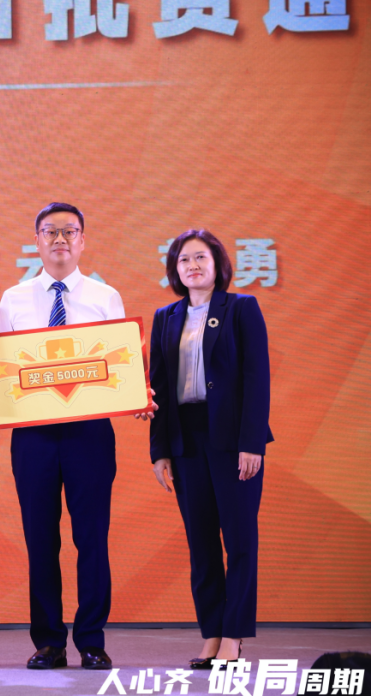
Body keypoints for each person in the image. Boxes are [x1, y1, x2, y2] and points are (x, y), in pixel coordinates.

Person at [0, 202, 124, 671]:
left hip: (90, 433)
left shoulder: (105, 297)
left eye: (69, 231)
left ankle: (91, 640)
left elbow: (121, 366)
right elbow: (1, 369)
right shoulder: (13, 298)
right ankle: (48, 641)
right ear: (36, 241)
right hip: (34, 436)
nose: (60, 240)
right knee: (40, 540)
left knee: (92, 538)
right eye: (50, 232)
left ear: (83, 241)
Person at [148, 229, 271, 668]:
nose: (192, 266)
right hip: (186, 440)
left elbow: (257, 378)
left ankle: (234, 636)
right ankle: (212, 634)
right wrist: (159, 450)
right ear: (175, 270)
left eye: (200, 258)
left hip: (233, 440)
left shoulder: (240, 308)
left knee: (238, 539)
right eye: (184, 260)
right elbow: (159, 387)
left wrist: (251, 442)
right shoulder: (165, 317)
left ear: (218, 264)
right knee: (200, 544)